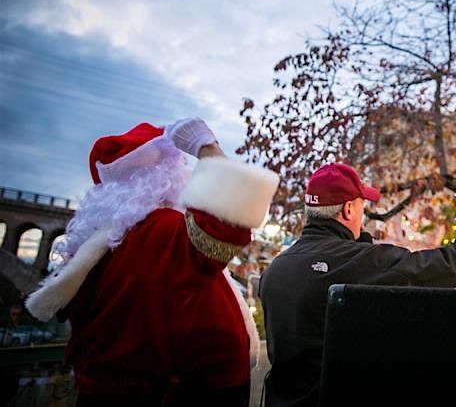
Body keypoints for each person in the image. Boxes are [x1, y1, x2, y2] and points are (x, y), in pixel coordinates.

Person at [25, 119, 279, 406]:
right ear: (168, 176)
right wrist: (207, 149)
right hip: (179, 393)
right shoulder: (162, 229)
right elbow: (225, 230)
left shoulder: (93, 248)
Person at [259, 162, 456, 407]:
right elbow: (445, 267)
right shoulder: (361, 261)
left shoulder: (275, 269)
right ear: (348, 209)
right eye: (362, 206)